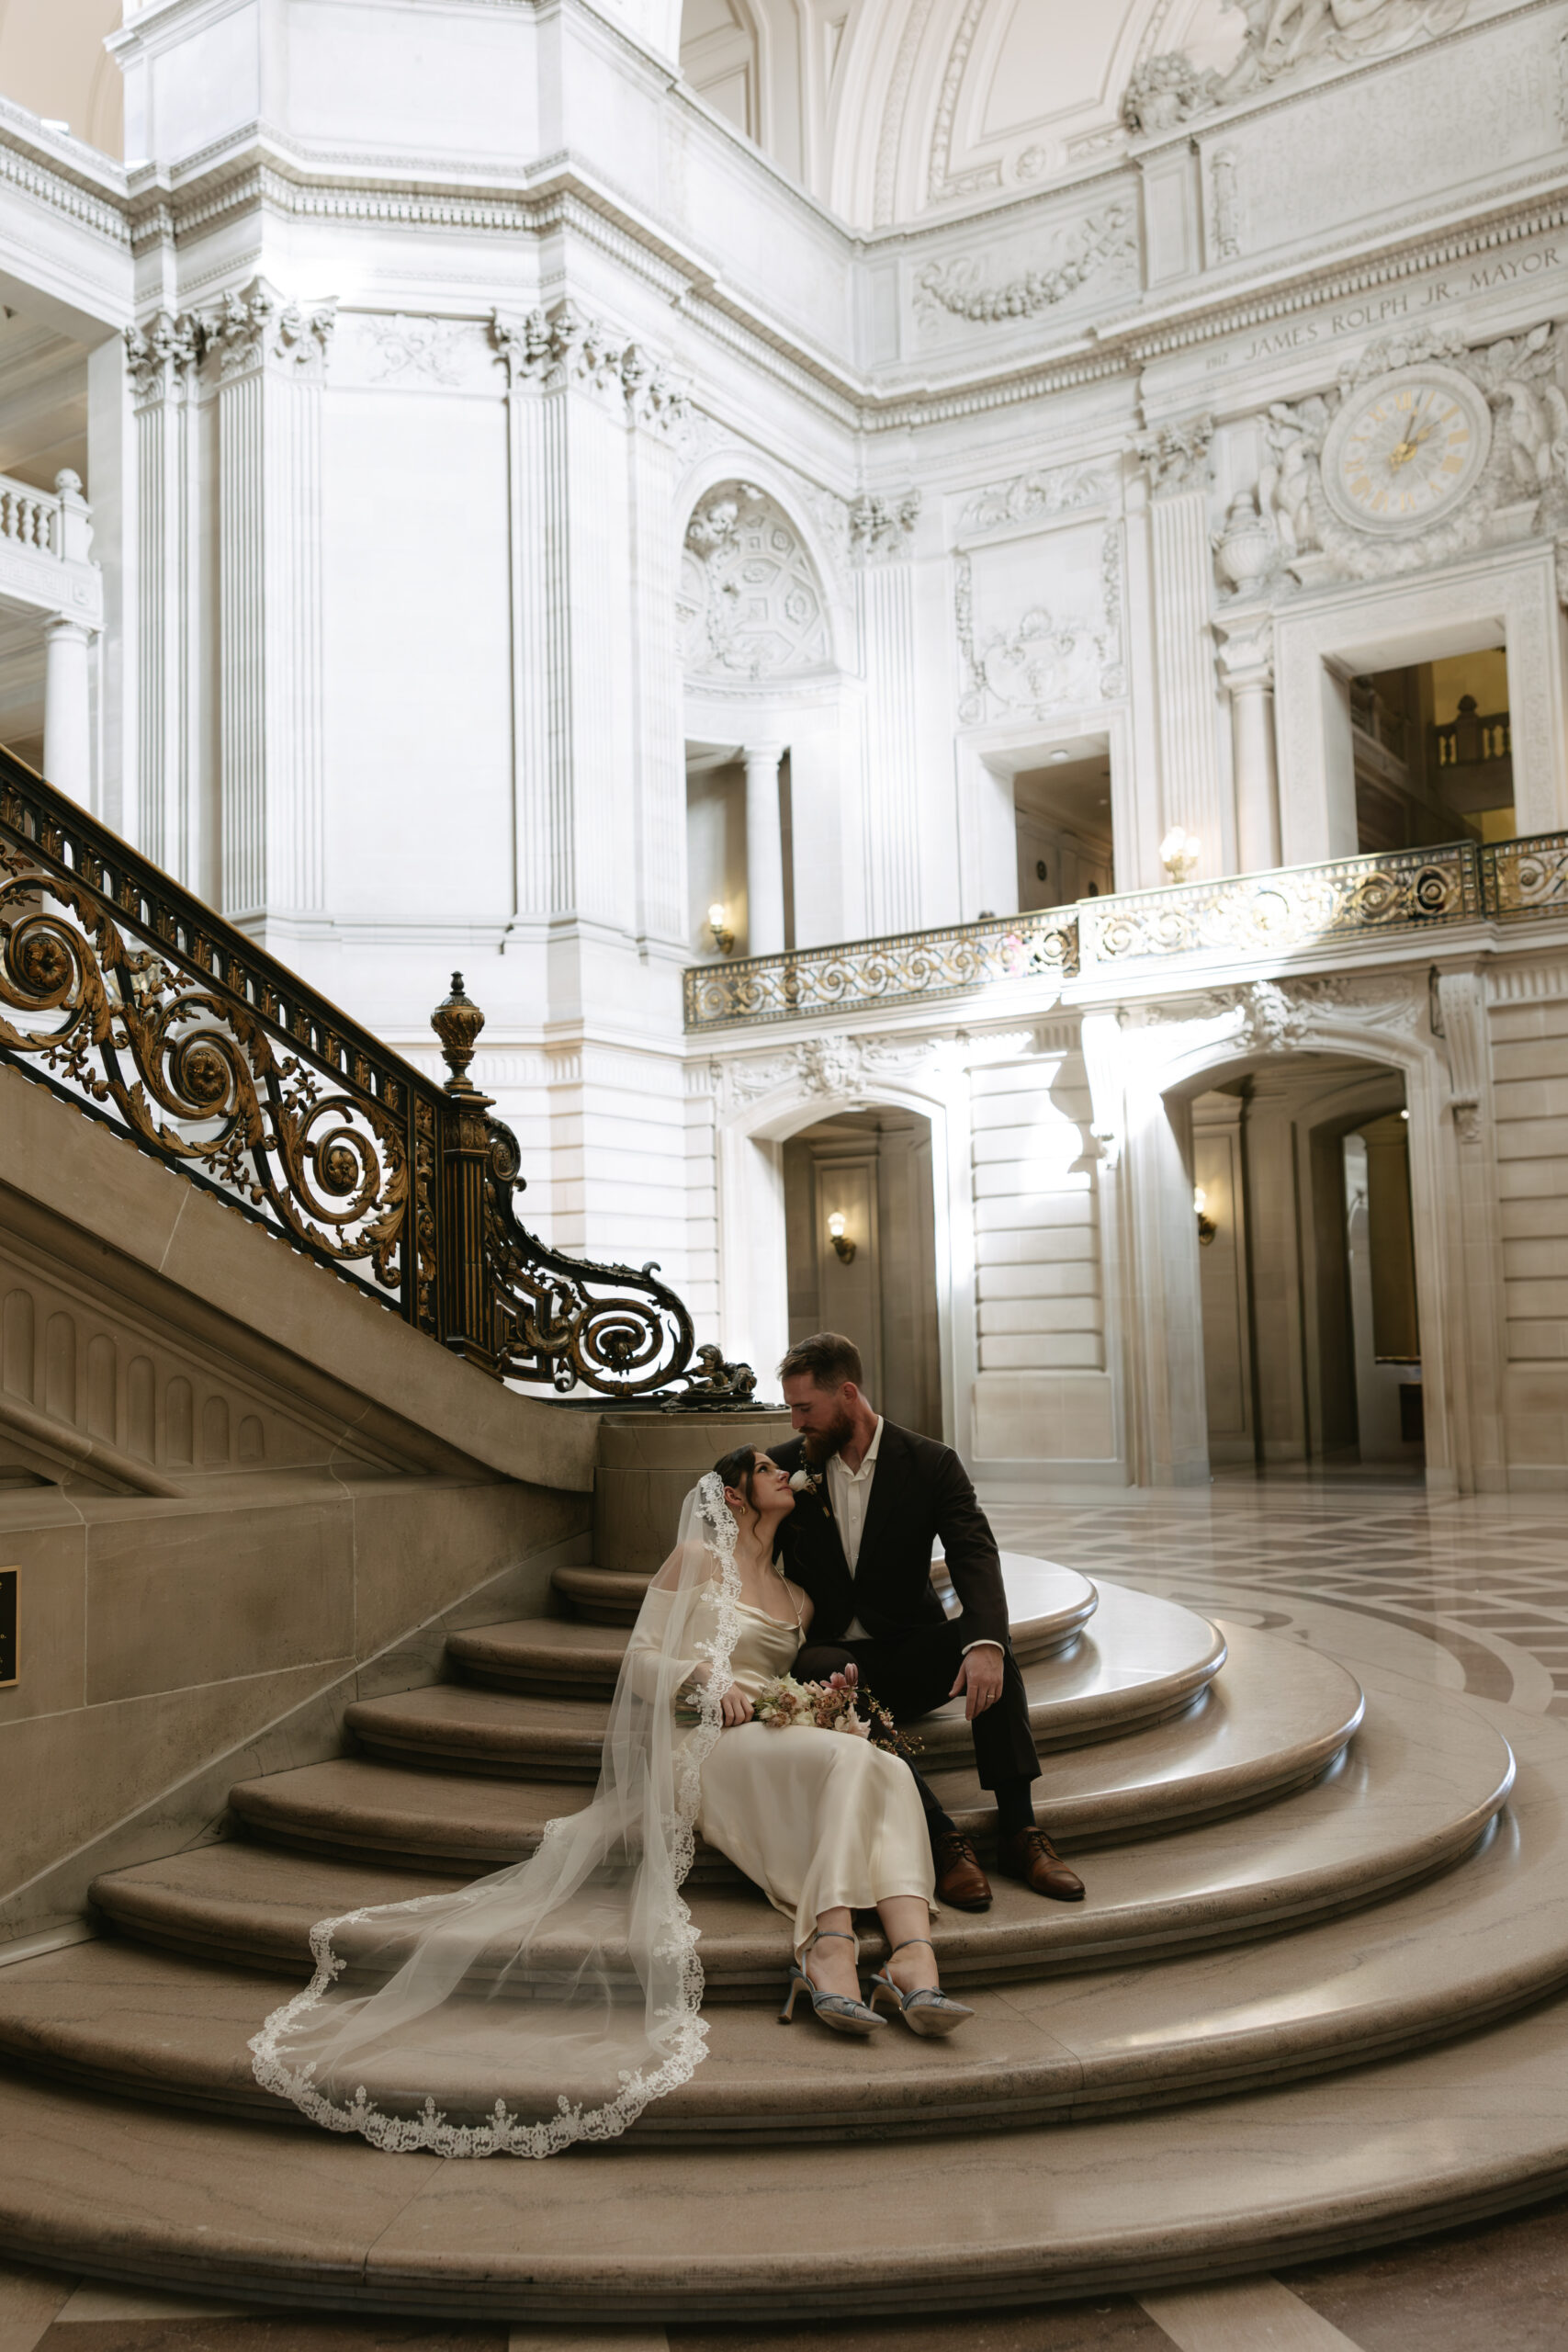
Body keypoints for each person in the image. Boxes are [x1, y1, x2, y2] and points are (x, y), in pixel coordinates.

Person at [248, 1447, 968, 2164]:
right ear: (737, 1494)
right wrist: (698, 1675)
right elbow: (641, 1659)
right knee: (850, 1759)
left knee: (882, 1764)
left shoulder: (796, 1596)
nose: (781, 1470)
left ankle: (911, 1956)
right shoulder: (692, 1558)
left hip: (773, 1740)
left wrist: (817, 1700)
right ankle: (829, 1943)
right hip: (702, 1747)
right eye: (763, 1466)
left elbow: (780, 1678)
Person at [768, 1331, 1085, 1910]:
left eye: (804, 1407)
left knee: (990, 1644)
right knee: (827, 1666)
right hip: (833, 1657)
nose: (795, 1422)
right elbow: (724, 1499)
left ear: (848, 1394)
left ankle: (1020, 1832)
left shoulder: (931, 1463)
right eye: (790, 1408)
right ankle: (942, 1838)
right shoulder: (786, 1467)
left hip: (907, 1647)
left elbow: (973, 1554)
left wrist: (985, 1642)